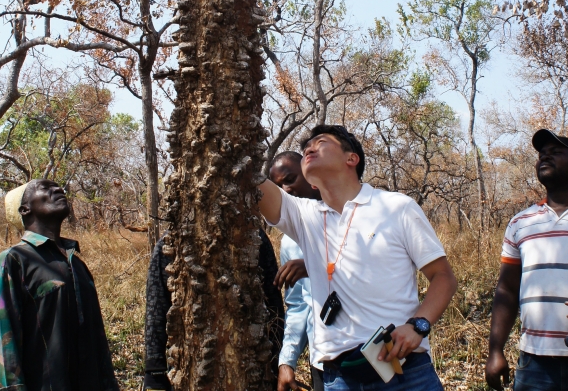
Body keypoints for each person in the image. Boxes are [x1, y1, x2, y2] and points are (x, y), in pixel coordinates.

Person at [258, 125, 457, 390]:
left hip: (404, 372)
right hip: (338, 378)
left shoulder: (397, 207)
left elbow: (443, 277)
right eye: (306, 147)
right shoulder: (304, 215)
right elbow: (248, 177)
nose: (309, 148)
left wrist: (417, 326)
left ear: (351, 158)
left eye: (320, 142)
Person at [485, 129, 568, 391]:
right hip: (535, 364)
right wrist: (495, 351)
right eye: (542, 154)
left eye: (555, 152)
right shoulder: (520, 222)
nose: (545, 157)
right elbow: (507, 290)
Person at [0, 179, 119, 391]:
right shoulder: (13, 261)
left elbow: (98, 340)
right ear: (25, 209)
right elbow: (4, 341)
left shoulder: (77, 264)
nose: (58, 189)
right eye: (45, 188)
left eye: (57, 187)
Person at [142, 229, 285, 390]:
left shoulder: (255, 239)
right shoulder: (169, 244)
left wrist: (279, 362)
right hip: (191, 371)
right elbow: (156, 309)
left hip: (250, 371)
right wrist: (154, 370)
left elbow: (274, 307)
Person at [269, 151, 325, 391]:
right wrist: (287, 362)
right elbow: (299, 305)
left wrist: (315, 265)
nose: (286, 189)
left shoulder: (353, 213)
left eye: (290, 179)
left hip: (374, 351)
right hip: (323, 359)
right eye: (279, 186)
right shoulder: (289, 242)